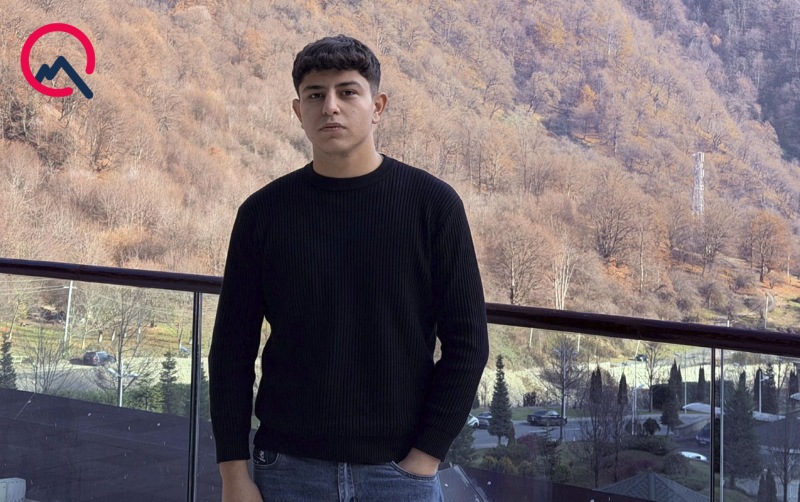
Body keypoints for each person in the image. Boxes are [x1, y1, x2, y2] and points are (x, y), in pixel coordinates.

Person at [209, 34, 489, 502]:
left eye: (347, 92)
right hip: (286, 469)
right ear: (298, 111)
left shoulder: (432, 206)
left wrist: (424, 459)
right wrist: (233, 474)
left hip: (398, 473)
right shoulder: (264, 213)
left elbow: (469, 343)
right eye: (315, 95)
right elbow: (231, 351)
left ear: (377, 106)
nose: (330, 107)